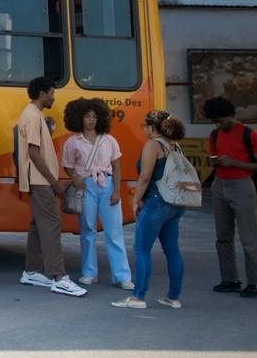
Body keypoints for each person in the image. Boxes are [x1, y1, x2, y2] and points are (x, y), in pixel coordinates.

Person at [15, 77, 87, 297]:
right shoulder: (33, 117)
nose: (54, 97)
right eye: (52, 93)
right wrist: (56, 184)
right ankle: (59, 277)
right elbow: (34, 154)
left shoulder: (33, 115)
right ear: (42, 93)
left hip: (38, 180)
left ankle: (31, 271)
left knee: (39, 225)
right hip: (41, 181)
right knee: (52, 225)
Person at [113, 111, 189, 309]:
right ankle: (173, 297)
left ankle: (138, 297)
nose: (143, 130)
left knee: (142, 249)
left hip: (156, 201)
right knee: (172, 250)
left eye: (144, 126)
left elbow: (145, 176)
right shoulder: (175, 145)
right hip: (175, 203)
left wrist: (136, 199)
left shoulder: (153, 145)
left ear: (151, 127)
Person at [61, 97, 133, 290]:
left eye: (94, 116)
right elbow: (67, 166)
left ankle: (122, 276)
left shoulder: (109, 140)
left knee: (114, 231)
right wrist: (75, 177)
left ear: (100, 117)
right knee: (87, 231)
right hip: (86, 186)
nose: (91, 120)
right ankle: (89, 273)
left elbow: (117, 166)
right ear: (79, 118)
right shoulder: (72, 142)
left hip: (107, 184)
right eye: (87, 116)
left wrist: (117, 190)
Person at [204, 96, 257, 298]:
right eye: (215, 121)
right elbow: (214, 157)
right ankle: (229, 279)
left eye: (221, 120)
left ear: (231, 115)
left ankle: (254, 282)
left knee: (249, 238)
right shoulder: (215, 134)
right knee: (223, 236)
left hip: (242, 185)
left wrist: (234, 163)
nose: (219, 124)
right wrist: (216, 163)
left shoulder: (249, 134)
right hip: (220, 184)